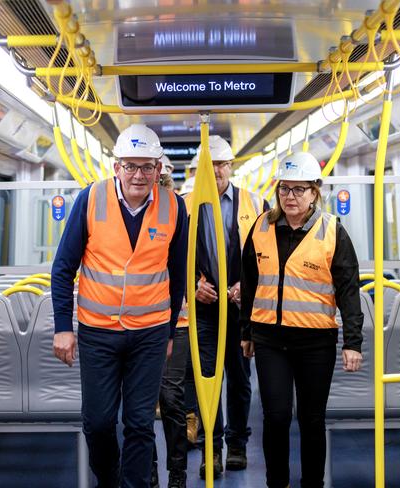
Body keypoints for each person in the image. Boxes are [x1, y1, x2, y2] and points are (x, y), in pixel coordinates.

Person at [51, 123, 188, 488]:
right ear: (116, 167)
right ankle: (109, 480)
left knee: (141, 424)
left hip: (150, 333)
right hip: (98, 332)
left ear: (159, 170)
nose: (138, 175)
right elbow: (63, 267)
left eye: (146, 166)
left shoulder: (175, 207)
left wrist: (171, 329)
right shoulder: (90, 199)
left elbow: (177, 274)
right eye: (130, 166)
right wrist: (63, 326)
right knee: (97, 422)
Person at [239, 151, 363, 488]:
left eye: (298, 189)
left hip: (315, 342)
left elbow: (349, 289)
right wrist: (246, 331)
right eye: (284, 189)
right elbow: (250, 283)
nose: (290, 197)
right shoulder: (261, 226)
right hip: (269, 340)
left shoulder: (332, 232)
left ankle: (313, 483)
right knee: (276, 417)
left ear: (314, 192)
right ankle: (275, 483)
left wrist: (353, 341)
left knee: (311, 419)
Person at [182, 135, 269, 479]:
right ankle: (210, 448)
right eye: (211, 164)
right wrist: (193, 287)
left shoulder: (256, 204)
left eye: (222, 164)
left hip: (240, 307)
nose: (217, 170)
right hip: (204, 308)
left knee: (239, 378)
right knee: (207, 378)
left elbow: (267, 259)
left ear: (231, 167)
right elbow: (175, 259)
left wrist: (242, 288)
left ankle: (236, 444)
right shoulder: (184, 205)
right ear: (200, 168)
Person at [149, 153, 188, 488]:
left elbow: (183, 266)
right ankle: (148, 470)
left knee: (171, 397)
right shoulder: (126, 214)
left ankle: (177, 472)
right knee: (142, 404)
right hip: (143, 323)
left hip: (178, 322)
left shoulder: (178, 211)